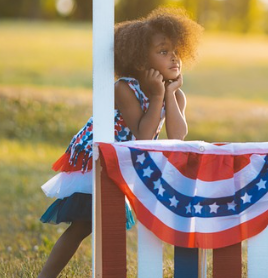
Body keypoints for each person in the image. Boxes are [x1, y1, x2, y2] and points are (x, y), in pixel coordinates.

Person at [38, 7, 203, 278]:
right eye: (163, 52)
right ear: (140, 62)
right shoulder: (125, 88)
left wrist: (170, 94)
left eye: (175, 51)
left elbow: (177, 136)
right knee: (83, 224)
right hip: (98, 156)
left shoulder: (175, 93)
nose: (174, 57)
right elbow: (143, 135)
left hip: (124, 158)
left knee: (105, 222)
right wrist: (157, 96)